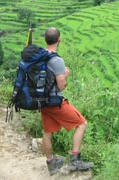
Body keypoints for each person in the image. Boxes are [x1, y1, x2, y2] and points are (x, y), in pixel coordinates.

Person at [41, 27, 94, 176]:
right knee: (82, 124)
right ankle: (75, 160)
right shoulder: (56, 60)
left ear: (46, 39)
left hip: (42, 102)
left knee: (47, 133)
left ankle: (51, 163)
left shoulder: (40, 56)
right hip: (54, 102)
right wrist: (66, 74)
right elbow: (61, 85)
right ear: (59, 39)